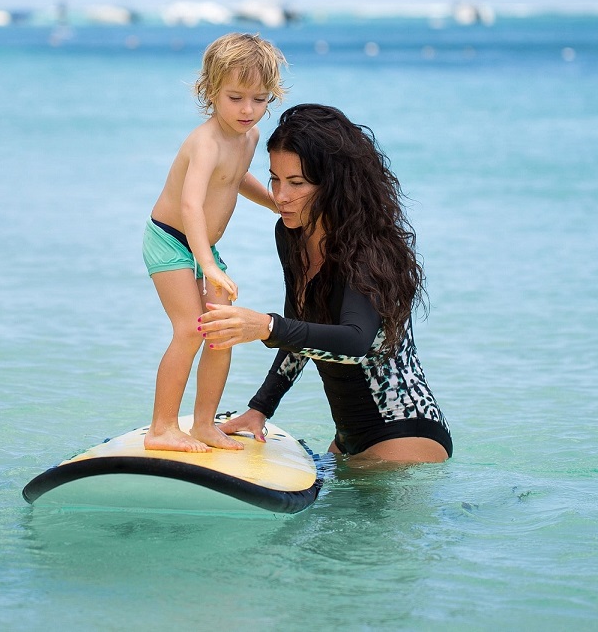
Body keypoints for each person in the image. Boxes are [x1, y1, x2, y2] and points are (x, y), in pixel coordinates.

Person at [197, 104, 453, 463]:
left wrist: (266, 326)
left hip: (405, 433)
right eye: (275, 179)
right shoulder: (292, 235)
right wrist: (260, 408)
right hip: (348, 439)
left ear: (332, 183)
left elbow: (355, 342)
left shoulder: (368, 249)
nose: (280, 196)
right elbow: (302, 335)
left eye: (297, 183)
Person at [142, 33, 286, 452]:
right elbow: (190, 204)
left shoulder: (250, 137)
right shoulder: (204, 142)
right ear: (210, 91)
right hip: (170, 240)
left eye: (259, 99)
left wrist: (278, 205)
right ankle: (161, 428)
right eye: (235, 98)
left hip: (202, 247)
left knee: (220, 332)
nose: (248, 110)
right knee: (190, 330)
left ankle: (204, 424)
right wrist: (207, 264)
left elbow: (236, 178)